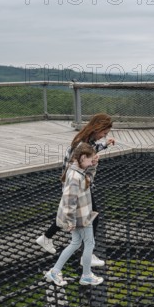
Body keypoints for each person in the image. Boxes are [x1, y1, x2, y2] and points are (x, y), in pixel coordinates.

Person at [36, 113, 115, 266]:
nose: (103, 136)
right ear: (97, 128)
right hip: (77, 185)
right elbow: (79, 165)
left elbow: (90, 151)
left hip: (76, 183)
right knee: (92, 217)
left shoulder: (86, 140)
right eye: (104, 134)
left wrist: (105, 144)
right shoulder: (81, 144)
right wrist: (92, 165)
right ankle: (87, 255)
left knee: (71, 213)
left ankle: (46, 237)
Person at [45, 142, 104, 286]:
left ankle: (55, 271)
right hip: (81, 218)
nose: (91, 162)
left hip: (81, 215)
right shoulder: (75, 176)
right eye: (90, 160)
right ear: (83, 157)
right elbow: (69, 201)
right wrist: (70, 221)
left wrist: (93, 165)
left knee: (75, 243)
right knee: (90, 243)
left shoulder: (77, 171)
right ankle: (86, 275)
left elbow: (88, 180)